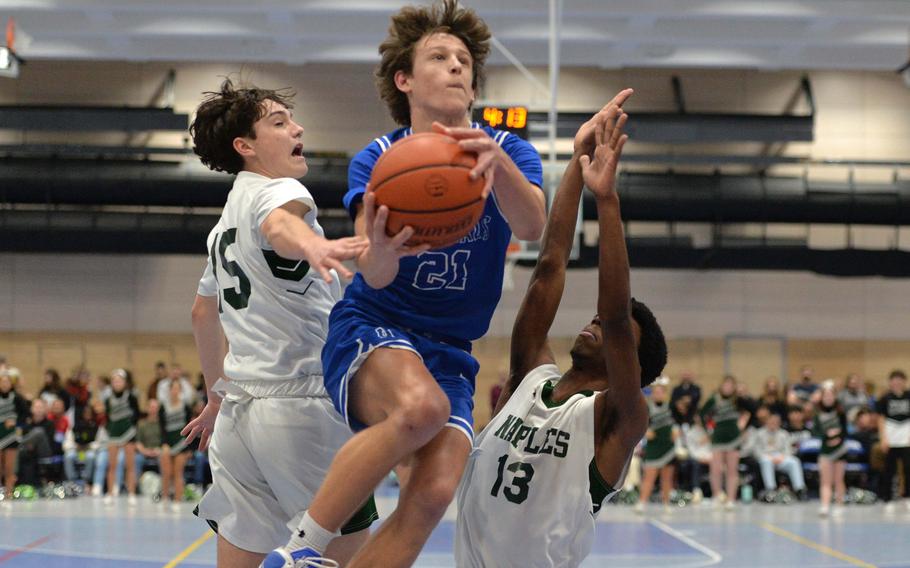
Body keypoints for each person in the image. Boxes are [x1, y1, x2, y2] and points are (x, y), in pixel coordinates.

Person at [266, 2, 546, 567]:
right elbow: (374, 270)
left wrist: (498, 166)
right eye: (439, 57)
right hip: (376, 324)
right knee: (422, 409)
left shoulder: (507, 149)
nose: (455, 67)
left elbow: (534, 224)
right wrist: (385, 250)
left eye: (464, 61)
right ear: (405, 79)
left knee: (435, 491)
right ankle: (300, 551)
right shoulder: (378, 158)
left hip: (451, 349)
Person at [454, 92, 666, 567]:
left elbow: (612, 313)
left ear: (627, 364)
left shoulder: (617, 419)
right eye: (598, 322)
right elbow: (549, 265)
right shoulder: (530, 378)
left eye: (617, 336)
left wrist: (606, 199)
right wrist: (577, 161)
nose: (597, 324)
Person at [182, 78, 374, 568]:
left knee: (240, 552)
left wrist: (215, 397)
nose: (297, 127)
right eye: (279, 122)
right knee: (356, 552)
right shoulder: (280, 191)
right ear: (245, 146)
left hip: (240, 417)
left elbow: (202, 313)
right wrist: (313, 245)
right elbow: (280, 224)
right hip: (299, 407)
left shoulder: (224, 222)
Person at [700, 375, 749, 509]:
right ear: (721, 386)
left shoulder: (737, 400)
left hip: (734, 438)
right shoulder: (714, 399)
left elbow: (753, 409)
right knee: (716, 469)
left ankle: (731, 499)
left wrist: (744, 426)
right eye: (725, 385)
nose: (728, 387)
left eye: (731, 385)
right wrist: (708, 431)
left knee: (732, 470)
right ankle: (716, 496)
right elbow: (701, 414)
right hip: (717, 437)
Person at [636, 378, 678, 514]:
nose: (658, 395)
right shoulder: (646, 408)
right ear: (652, 394)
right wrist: (645, 432)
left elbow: (680, 421)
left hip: (668, 446)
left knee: (667, 478)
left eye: (661, 392)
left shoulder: (671, 407)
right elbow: (639, 424)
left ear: (665, 394)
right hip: (653, 447)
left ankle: (667, 504)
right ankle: (641, 503)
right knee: (649, 477)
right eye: (656, 392)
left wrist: (677, 430)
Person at [103, 369, 140, 505]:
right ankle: (110, 493)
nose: (117, 383)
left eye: (120, 381)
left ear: (125, 382)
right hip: (113, 433)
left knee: (130, 465)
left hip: (128, 433)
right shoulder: (108, 399)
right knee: (111, 465)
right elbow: (107, 417)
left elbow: (136, 414)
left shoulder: (131, 397)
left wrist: (131, 428)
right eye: (114, 381)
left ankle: (131, 493)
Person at [876, 369, 910, 512]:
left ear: (904, 382)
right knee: (889, 469)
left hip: (906, 436)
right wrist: (883, 438)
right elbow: (881, 419)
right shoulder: (885, 399)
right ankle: (887, 498)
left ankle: (907, 497)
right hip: (891, 436)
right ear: (890, 382)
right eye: (894, 380)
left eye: (899, 380)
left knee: (908, 469)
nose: (897, 383)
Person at [159, 379, 195, 512]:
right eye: (172, 388)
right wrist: (163, 443)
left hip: (181, 443)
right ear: (169, 391)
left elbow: (190, 426)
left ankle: (177, 500)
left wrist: (189, 446)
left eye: (177, 388)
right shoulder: (163, 406)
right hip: (168, 443)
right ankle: (165, 499)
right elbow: (161, 427)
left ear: (180, 390)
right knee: (166, 473)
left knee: (178, 473)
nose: (174, 391)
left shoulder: (185, 406)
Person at [814, 382, 848, 517]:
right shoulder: (818, 414)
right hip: (825, 450)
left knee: (839, 479)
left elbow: (845, 431)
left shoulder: (840, 412)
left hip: (840, 449)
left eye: (830, 395)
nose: (828, 398)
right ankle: (825, 505)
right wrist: (827, 436)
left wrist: (838, 437)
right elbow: (815, 431)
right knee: (825, 480)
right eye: (825, 395)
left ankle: (840, 505)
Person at [754, 412, 806, 500]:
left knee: (794, 461)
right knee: (766, 461)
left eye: (775, 422)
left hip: (780, 457)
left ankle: (799, 489)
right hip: (765, 456)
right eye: (771, 421)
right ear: (767, 422)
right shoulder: (759, 433)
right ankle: (770, 489)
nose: (773, 424)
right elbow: (756, 450)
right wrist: (768, 456)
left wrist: (782, 457)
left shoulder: (784, 434)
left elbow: (788, 450)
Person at [0, 373, 30, 504]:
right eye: (2, 382)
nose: (5, 384)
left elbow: (26, 415)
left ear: (11, 384)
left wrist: (15, 422)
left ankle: (9, 494)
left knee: (9, 467)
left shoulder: (17, 398)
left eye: (7, 382)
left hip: (11, 436)